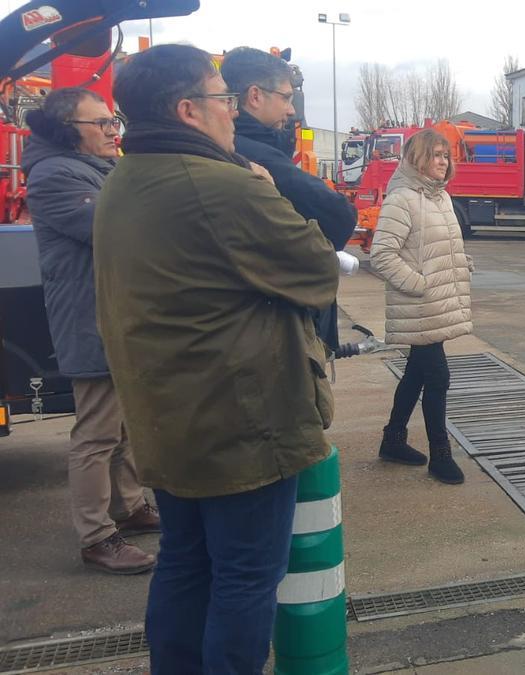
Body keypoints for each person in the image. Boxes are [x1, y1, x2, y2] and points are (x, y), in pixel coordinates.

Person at [92, 44, 339, 671]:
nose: (232, 111)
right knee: (247, 577)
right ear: (187, 110)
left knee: (185, 561)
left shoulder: (126, 178)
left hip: (168, 418)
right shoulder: (222, 185)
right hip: (240, 426)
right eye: (222, 98)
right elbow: (315, 269)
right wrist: (268, 190)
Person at [22, 87, 159, 575]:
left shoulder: (97, 169)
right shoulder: (56, 175)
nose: (111, 130)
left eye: (112, 120)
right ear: (66, 130)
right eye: (99, 123)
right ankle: (96, 535)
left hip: (114, 315)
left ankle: (129, 505)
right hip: (91, 319)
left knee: (122, 425)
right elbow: (119, 228)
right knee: (97, 432)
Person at [220, 46, 356, 352]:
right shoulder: (251, 155)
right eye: (286, 97)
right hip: (277, 325)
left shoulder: (239, 148)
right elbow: (338, 214)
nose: (291, 110)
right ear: (255, 96)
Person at [371, 128, 473, 485]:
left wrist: (459, 263)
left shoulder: (439, 197)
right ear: (417, 159)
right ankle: (440, 455)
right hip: (421, 303)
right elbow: (382, 254)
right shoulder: (402, 199)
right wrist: (420, 285)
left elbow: (430, 246)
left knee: (418, 372)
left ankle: (393, 439)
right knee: (437, 376)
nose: (443, 162)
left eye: (446, 155)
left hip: (435, 303)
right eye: (435, 155)